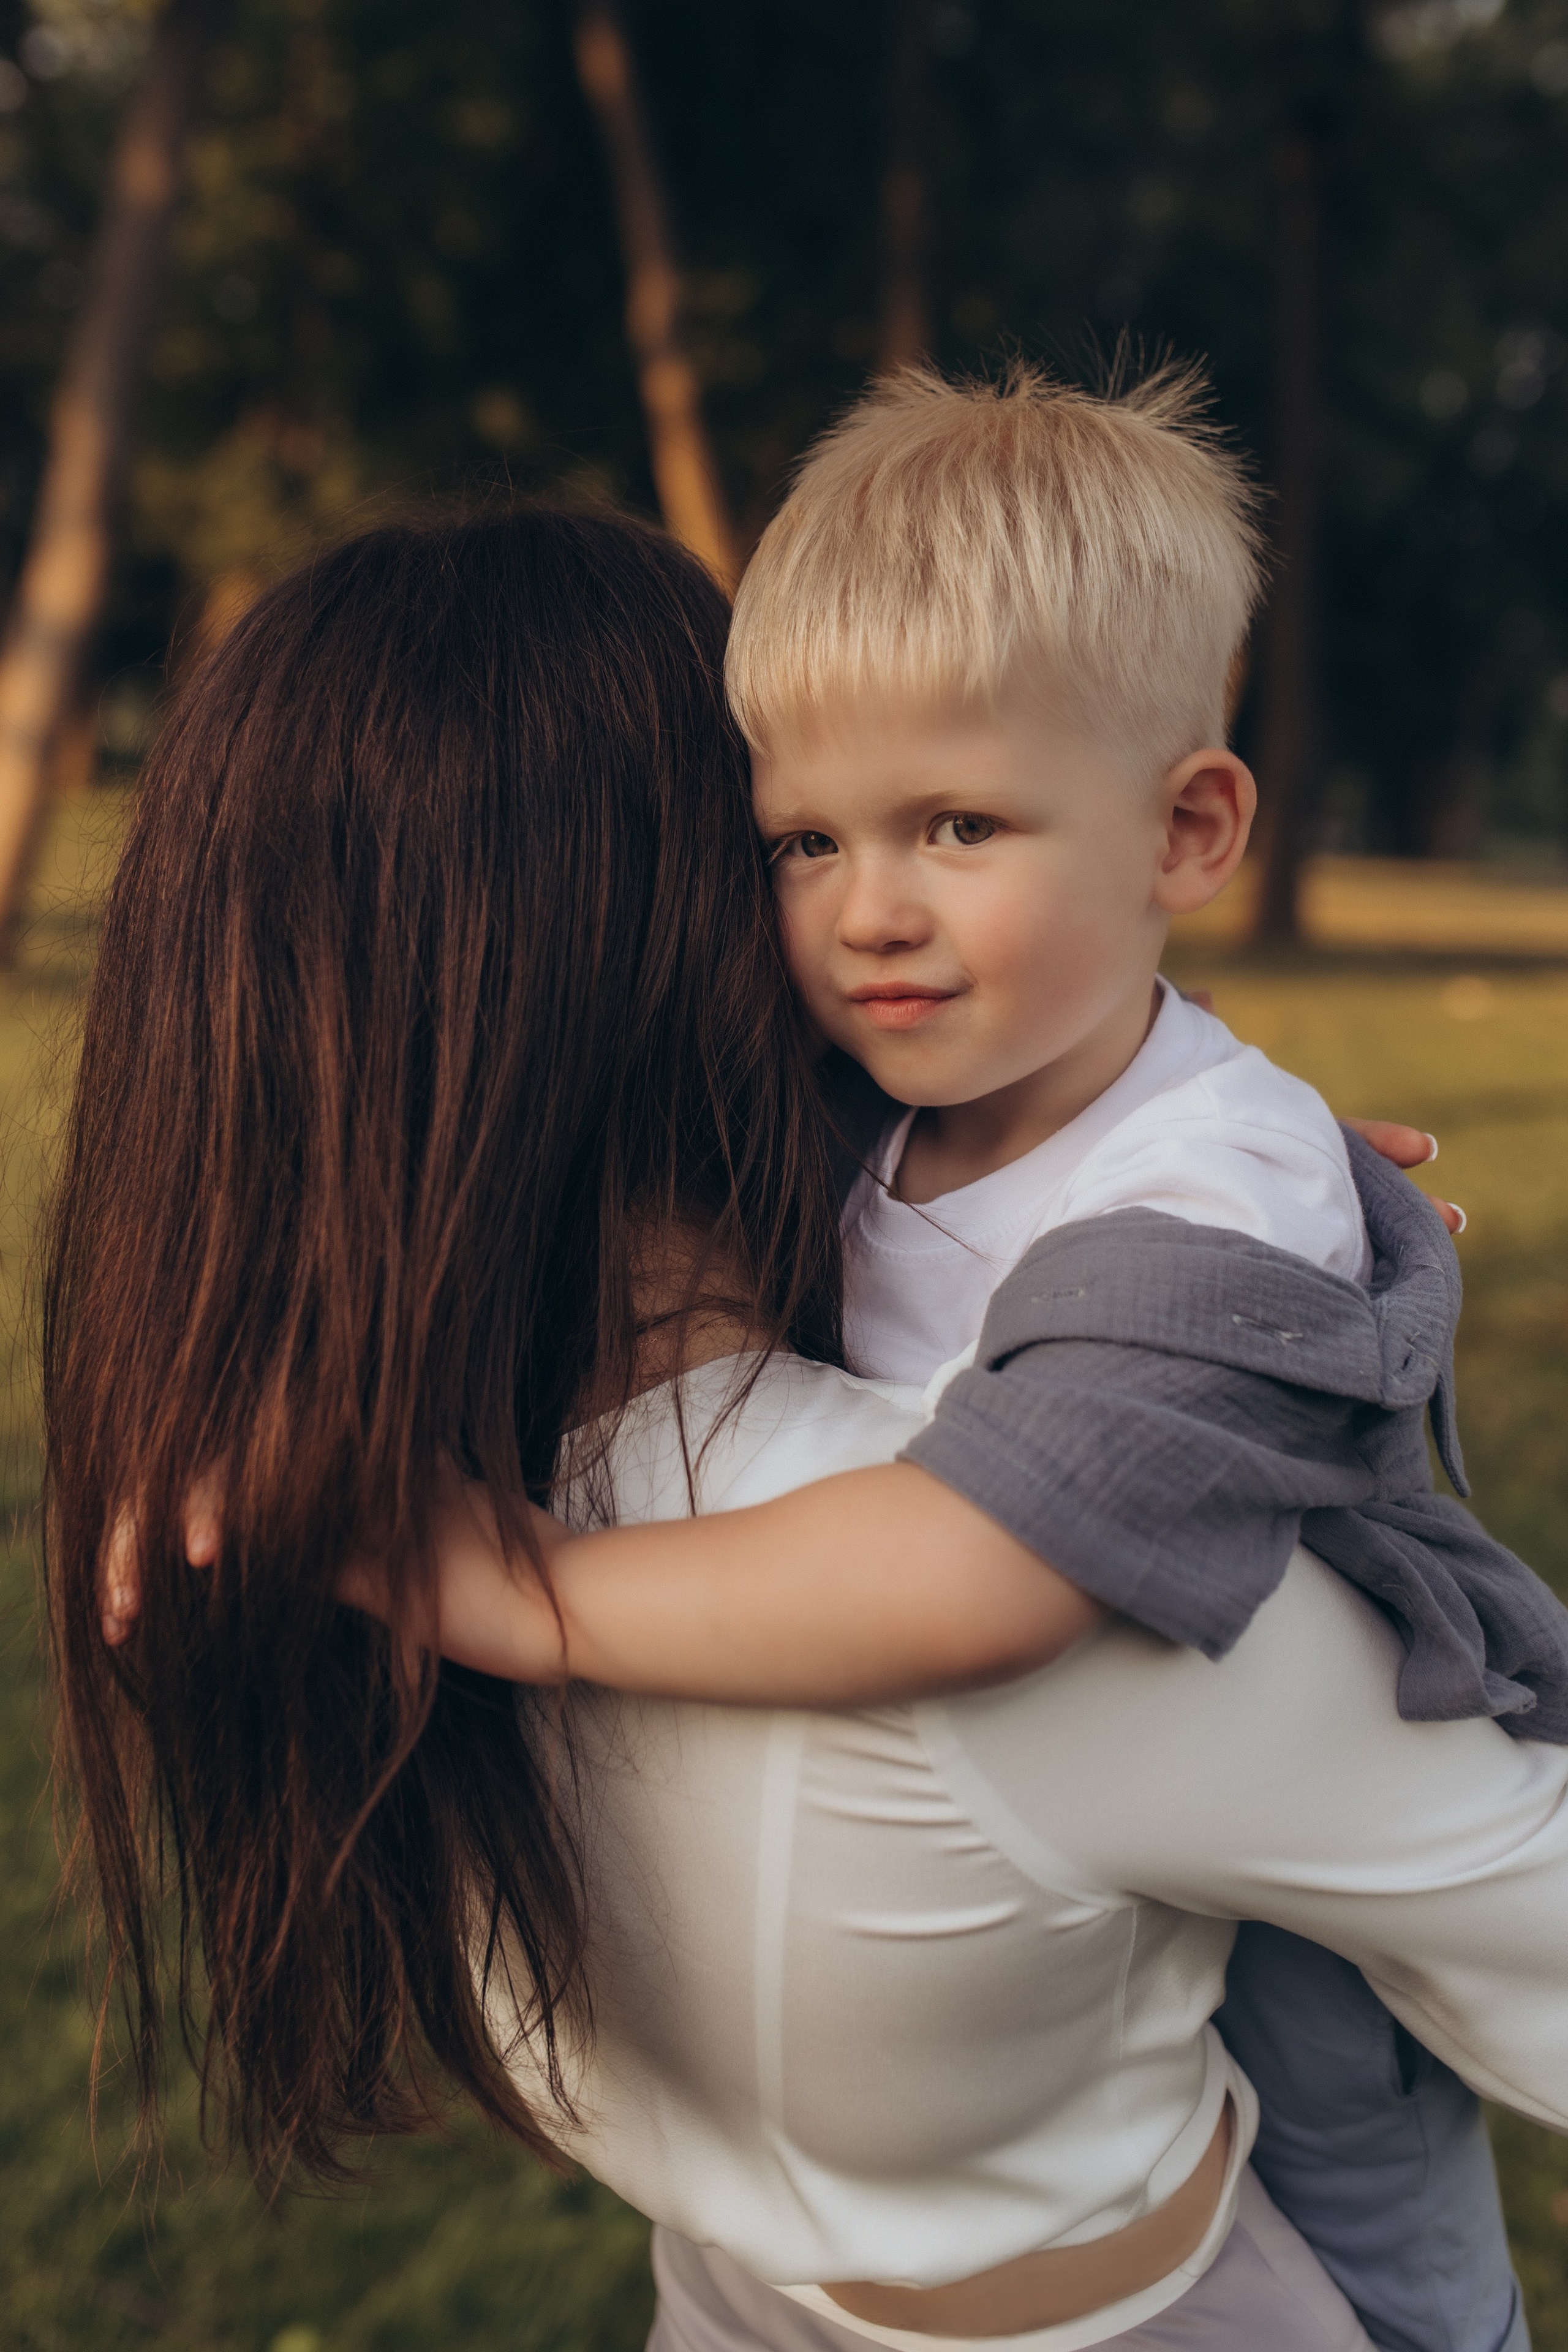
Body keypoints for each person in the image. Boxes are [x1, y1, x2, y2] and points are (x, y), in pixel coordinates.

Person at [71, 502, 1562, 2350]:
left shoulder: (280, 1508)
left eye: (951, 827)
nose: (870, 913)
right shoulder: (1014, 1591)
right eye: (796, 842)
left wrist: (1191, 1167)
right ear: (702, 932)